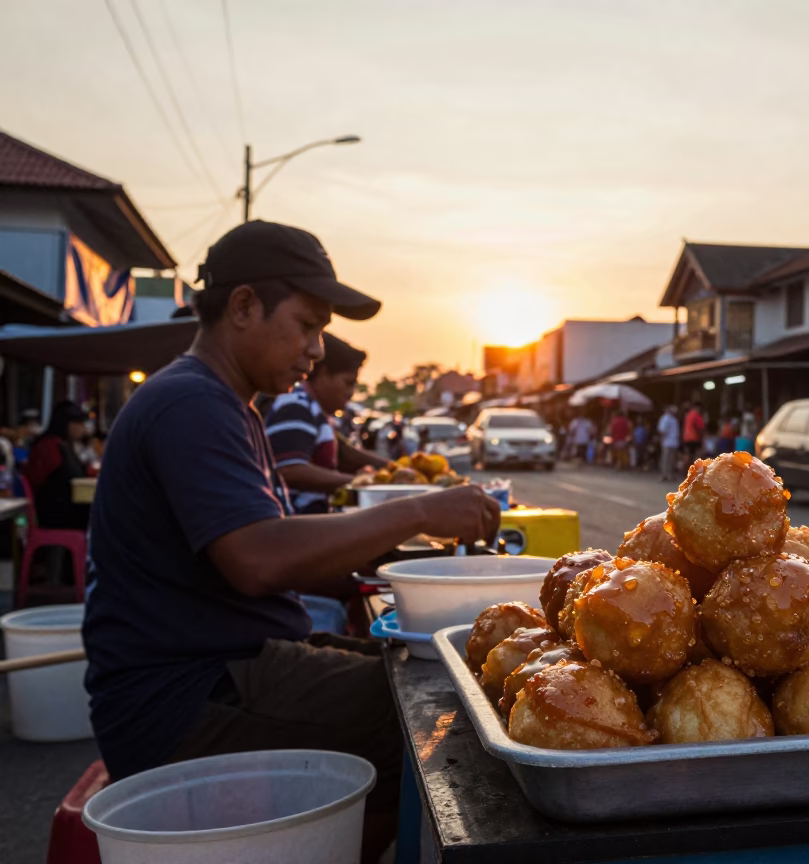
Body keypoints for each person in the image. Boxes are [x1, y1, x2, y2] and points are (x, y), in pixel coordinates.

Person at [81, 220, 501, 863]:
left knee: (414, 674)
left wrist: (405, 570)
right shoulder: (190, 403)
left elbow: (264, 550)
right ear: (244, 306)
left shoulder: (229, 404)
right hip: (187, 693)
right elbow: (258, 558)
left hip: (228, 660)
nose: (316, 348)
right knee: (440, 724)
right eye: (306, 325)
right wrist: (418, 510)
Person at [266, 332, 389, 514]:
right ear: (323, 375)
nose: (351, 393)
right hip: (296, 526)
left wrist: (395, 468)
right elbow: (289, 469)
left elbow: (345, 454)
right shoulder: (296, 405)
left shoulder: (317, 411)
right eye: (347, 383)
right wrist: (359, 484)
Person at [25, 400, 91, 529]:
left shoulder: (65, 445)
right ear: (67, 424)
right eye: (78, 423)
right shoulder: (49, 447)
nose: (82, 428)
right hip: (56, 514)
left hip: (68, 508)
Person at [657, 405, 680, 481]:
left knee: (666, 459)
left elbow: (662, 430)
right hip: (672, 442)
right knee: (670, 460)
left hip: (668, 442)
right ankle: (668, 475)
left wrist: (661, 440)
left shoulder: (666, 418)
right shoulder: (672, 419)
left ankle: (665, 475)